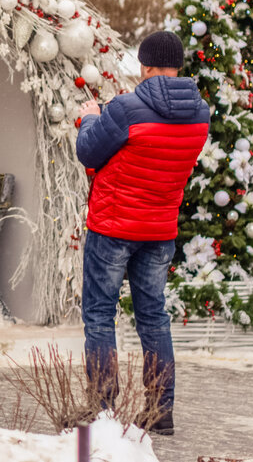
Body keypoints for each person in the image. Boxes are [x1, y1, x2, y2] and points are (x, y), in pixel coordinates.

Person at [75, 30, 210, 436]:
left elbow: (88, 151)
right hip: (159, 230)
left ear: (145, 65)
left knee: (100, 315)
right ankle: (160, 410)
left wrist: (90, 118)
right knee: (154, 318)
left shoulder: (126, 109)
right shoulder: (201, 113)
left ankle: (101, 407)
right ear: (178, 65)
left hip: (114, 226)